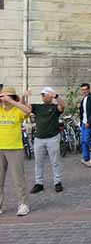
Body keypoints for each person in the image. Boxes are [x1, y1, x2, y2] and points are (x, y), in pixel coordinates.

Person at [0, 87, 32, 216]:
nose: (4, 98)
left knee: (18, 179)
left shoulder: (17, 110)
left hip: (14, 148)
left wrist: (13, 101)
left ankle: (23, 204)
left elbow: (27, 111)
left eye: (6, 96)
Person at [27, 87, 65, 194]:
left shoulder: (54, 107)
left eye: (44, 94)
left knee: (55, 161)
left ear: (50, 95)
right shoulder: (38, 107)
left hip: (52, 137)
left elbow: (62, 106)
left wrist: (56, 96)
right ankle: (39, 183)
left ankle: (57, 182)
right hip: (39, 138)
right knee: (38, 162)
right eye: (42, 95)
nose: (43, 97)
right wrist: (24, 96)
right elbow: (25, 107)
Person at [79, 83, 91, 165]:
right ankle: (86, 158)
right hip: (83, 123)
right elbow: (83, 111)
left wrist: (89, 122)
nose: (84, 91)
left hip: (89, 123)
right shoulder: (83, 99)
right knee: (83, 141)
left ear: (88, 89)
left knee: (86, 140)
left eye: (85, 89)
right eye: (82, 90)